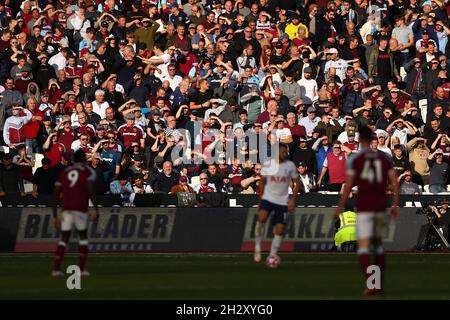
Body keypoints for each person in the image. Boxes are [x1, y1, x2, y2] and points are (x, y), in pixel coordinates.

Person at [334, 126, 399, 296]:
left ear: (360, 140)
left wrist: (340, 206)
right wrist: (395, 204)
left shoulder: (358, 159)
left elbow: (348, 185)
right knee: (377, 246)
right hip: (379, 205)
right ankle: (377, 283)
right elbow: (394, 182)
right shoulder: (384, 158)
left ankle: (372, 283)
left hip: (364, 206)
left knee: (363, 247)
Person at [51, 149, 98, 277]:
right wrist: (95, 208)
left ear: (73, 159)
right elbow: (90, 190)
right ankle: (81, 269)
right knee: (82, 237)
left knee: (64, 238)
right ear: (84, 159)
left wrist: (55, 215)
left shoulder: (65, 172)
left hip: (66, 208)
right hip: (80, 208)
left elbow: (55, 194)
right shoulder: (88, 171)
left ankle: (56, 269)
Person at [254, 144, 300, 265]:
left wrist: (293, 200)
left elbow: (297, 183)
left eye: (286, 152)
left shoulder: (290, 165)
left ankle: (273, 254)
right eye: (282, 152)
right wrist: (260, 200)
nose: (284, 154)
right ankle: (258, 248)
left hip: (282, 201)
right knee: (261, 218)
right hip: (268, 198)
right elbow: (262, 183)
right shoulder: (268, 164)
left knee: (279, 230)